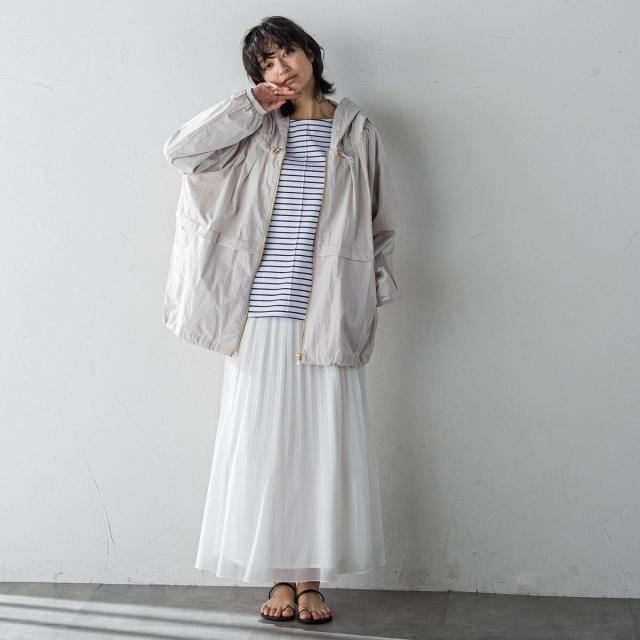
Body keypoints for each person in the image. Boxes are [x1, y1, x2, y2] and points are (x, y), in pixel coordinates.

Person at [162, 16, 399, 625]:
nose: (280, 68)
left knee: (321, 449)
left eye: (285, 53)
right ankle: (279, 578)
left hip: (328, 312)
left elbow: (379, 223)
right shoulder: (255, 126)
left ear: (309, 54)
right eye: (265, 64)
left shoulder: (357, 129)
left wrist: (369, 294)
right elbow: (181, 152)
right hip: (261, 314)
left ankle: (311, 580)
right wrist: (250, 105)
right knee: (267, 448)